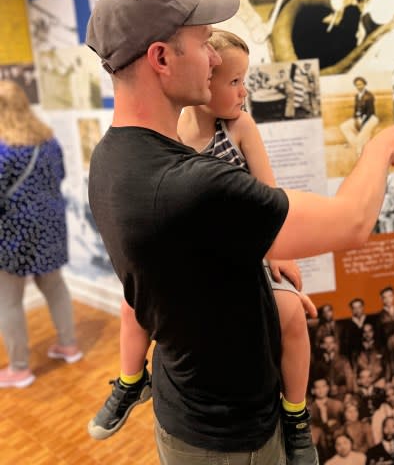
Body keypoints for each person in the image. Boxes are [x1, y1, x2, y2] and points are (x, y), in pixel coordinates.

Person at [84, 0, 394, 464]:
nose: (214, 58)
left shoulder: (110, 159)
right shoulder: (193, 184)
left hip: (183, 410)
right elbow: (351, 223)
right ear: (160, 58)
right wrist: (382, 146)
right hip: (233, 441)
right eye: (202, 44)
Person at [88, 30, 318, 459]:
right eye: (234, 81)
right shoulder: (167, 137)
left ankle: (296, 415)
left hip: (246, 254)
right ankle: (130, 380)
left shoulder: (239, 128)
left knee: (290, 316)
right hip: (192, 264)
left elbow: (271, 197)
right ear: (205, 80)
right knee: (131, 303)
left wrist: (280, 253)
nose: (243, 92)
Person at [0, 81, 82, 388]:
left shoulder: (3, 150)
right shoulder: (47, 140)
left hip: (12, 233)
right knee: (55, 285)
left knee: (8, 300)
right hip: (50, 224)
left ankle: (20, 369)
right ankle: (69, 346)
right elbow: (59, 176)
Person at [340, 77, 379, 156]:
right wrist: (355, 119)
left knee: (362, 135)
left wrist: (362, 122)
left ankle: (361, 153)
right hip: (360, 118)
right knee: (343, 126)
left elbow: (370, 112)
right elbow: (355, 110)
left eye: (361, 84)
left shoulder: (369, 96)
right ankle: (357, 145)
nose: (359, 87)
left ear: (364, 84)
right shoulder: (357, 96)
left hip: (371, 118)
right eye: (357, 85)